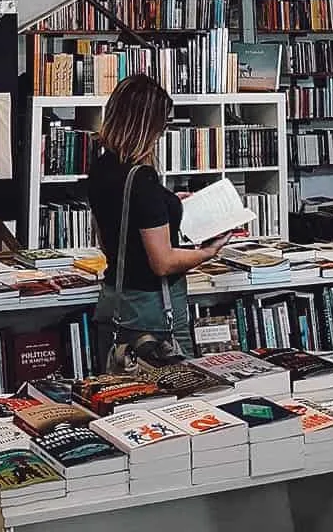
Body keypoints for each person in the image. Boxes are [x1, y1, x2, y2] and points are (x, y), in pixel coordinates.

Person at [87, 74, 230, 370]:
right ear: (148, 125)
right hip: (153, 312)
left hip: (114, 300)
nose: (163, 133)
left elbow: (107, 239)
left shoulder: (102, 167)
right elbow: (162, 262)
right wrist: (209, 252)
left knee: (122, 397)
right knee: (173, 394)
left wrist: (169, 202)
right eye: (162, 124)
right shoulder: (142, 179)